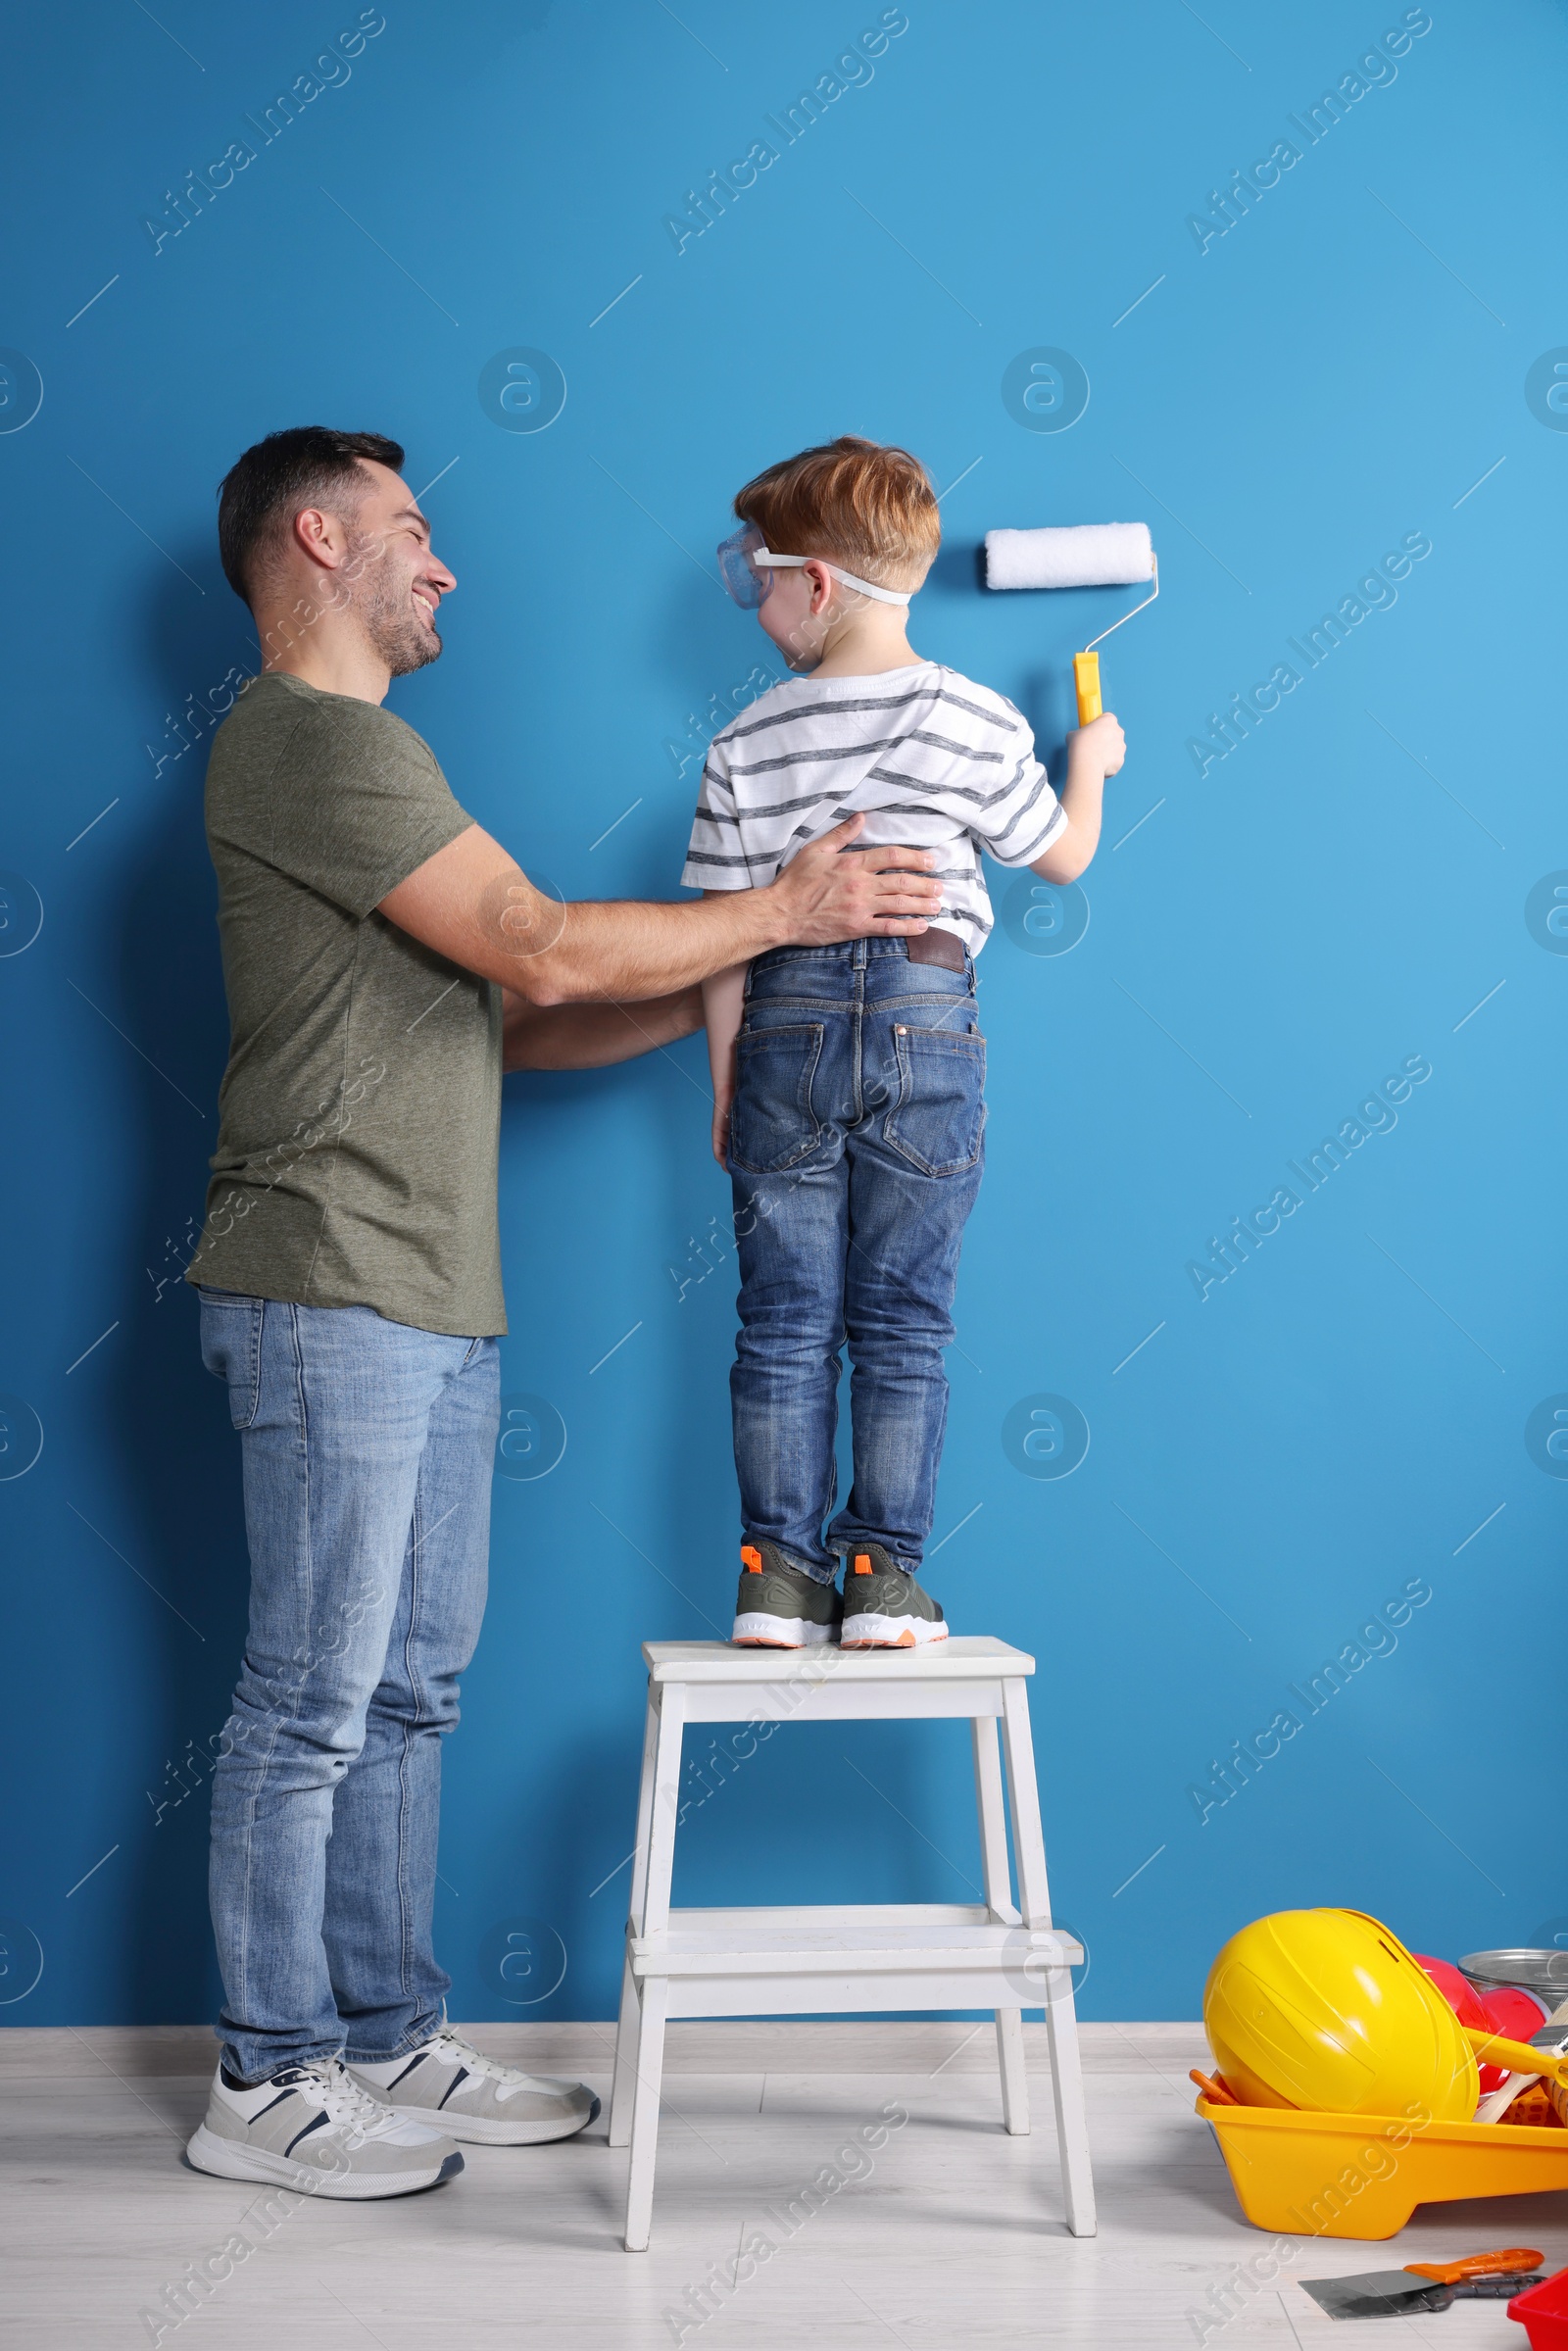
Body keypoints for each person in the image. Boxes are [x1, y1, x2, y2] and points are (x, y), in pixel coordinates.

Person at [182, 426, 944, 2200]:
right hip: (324, 1278)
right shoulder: (306, 741)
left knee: (411, 1692)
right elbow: (532, 939)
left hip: (429, 1287)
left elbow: (511, 1020)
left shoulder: (378, 759)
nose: (443, 566)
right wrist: (778, 900)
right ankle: (264, 2076)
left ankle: (384, 2031)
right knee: (312, 1693)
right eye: (414, 531)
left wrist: (726, 969)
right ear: (320, 537)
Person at [685, 437, 1126, 1652]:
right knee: (903, 1320)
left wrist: (727, 1079)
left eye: (754, 576)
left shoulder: (743, 743)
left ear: (814, 585)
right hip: (930, 1022)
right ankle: (881, 1579)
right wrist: (1086, 761)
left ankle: (775, 1577)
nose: (751, 600)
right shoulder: (978, 720)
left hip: (780, 1023)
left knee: (779, 1318)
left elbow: (720, 939)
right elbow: (1064, 855)